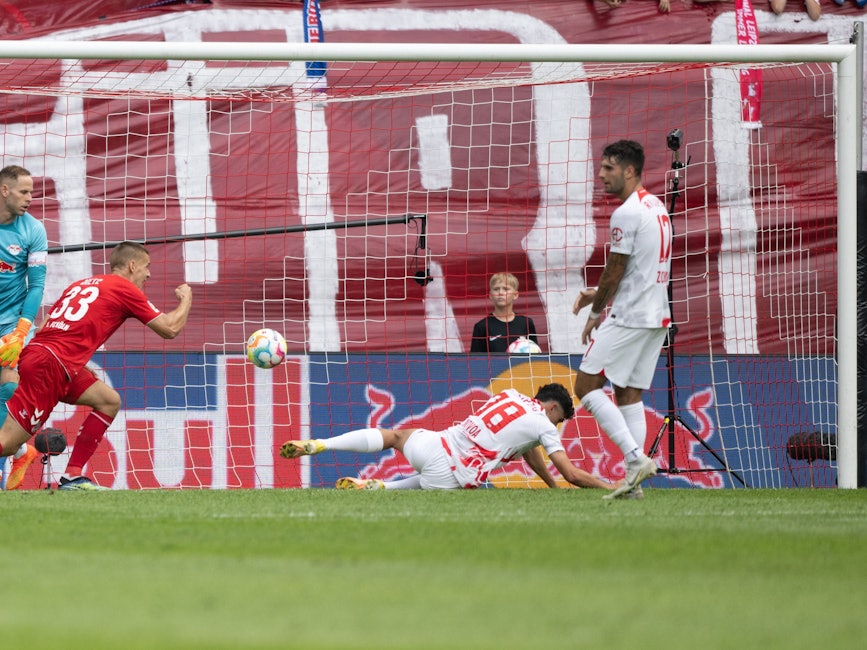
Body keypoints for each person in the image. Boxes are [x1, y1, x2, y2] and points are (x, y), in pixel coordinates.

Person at [0, 241, 193, 490]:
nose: (149, 274)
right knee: (8, 442)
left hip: (48, 358)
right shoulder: (125, 288)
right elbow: (170, 328)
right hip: (51, 367)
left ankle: (71, 477)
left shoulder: (81, 284)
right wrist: (186, 299)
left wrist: (75, 363)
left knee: (108, 401)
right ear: (132, 265)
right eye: (147, 267)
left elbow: (45, 324)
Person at [280, 383, 614, 491]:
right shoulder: (542, 423)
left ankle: (324, 444)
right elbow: (571, 473)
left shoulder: (511, 393)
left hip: (434, 442)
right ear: (552, 407)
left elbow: (529, 452)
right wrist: (611, 488)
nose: (556, 427)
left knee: (396, 436)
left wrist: (551, 489)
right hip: (454, 472)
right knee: (438, 480)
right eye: (560, 420)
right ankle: (384, 488)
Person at [572, 140, 671, 500]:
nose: (601, 175)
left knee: (585, 388)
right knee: (628, 394)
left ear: (630, 171)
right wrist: (594, 293)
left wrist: (596, 311)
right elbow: (634, 267)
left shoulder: (626, 213)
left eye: (609, 169)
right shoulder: (656, 205)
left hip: (629, 314)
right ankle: (634, 486)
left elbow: (616, 269)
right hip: (656, 314)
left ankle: (634, 458)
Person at [0, 165, 47, 490]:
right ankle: (21, 450)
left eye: (32, 191)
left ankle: (11, 452)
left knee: (9, 387)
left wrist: (21, 330)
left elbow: (37, 284)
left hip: (12, 325)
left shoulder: (33, 230)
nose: (30, 198)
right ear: (4, 190)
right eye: (24, 191)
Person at [469, 272, 539, 353]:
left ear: (515, 295)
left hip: (520, 366)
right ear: (490, 295)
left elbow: (535, 355)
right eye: (496, 289)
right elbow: (475, 361)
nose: (500, 293)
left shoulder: (526, 323)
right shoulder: (482, 327)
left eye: (506, 289)